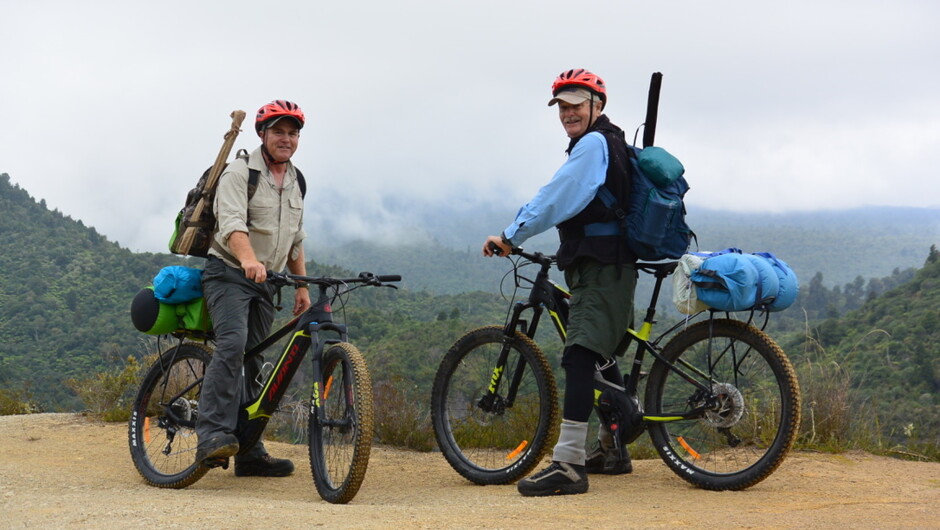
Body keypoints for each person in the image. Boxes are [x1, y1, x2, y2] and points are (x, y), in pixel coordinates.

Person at [483, 69, 637, 496]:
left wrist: (512, 235)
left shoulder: (592, 145)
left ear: (597, 106)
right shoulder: (611, 141)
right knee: (598, 351)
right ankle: (612, 448)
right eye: (563, 106)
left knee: (579, 356)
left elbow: (558, 195)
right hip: (606, 263)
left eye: (576, 104)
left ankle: (569, 465)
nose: (569, 112)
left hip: (602, 266)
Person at [195, 99, 312, 477]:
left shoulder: (297, 180)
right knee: (232, 344)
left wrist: (301, 286)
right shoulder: (240, 173)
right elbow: (231, 224)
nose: (287, 139)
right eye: (279, 131)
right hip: (229, 271)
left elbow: (295, 238)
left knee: (255, 358)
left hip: (267, 281)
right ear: (263, 134)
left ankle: (249, 450)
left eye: (293, 133)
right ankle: (212, 435)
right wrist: (248, 259)